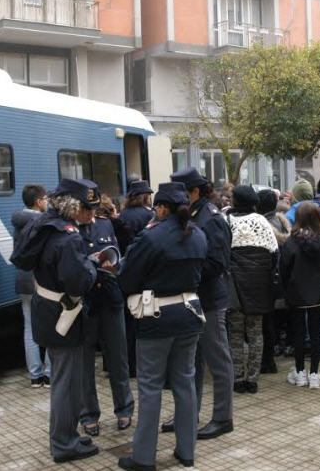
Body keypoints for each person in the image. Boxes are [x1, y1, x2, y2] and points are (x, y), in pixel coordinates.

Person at [10, 178, 106, 463]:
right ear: (75, 206)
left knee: (64, 377)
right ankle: (64, 442)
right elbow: (78, 283)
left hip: (45, 308)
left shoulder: (43, 224)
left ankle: (66, 435)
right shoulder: (68, 236)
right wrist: (94, 264)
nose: (92, 215)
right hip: (64, 314)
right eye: (88, 208)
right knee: (67, 382)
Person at [117, 182, 208, 471]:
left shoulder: (151, 237)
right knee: (185, 381)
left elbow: (127, 277)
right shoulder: (199, 235)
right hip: (190, 314)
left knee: (150, 387)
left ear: (161, 208)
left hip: (156, 318)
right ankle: (186, 450)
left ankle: (144, 457)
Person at [163, 167, 234, 440]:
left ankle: (223, 417)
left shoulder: (211, 218)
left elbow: (217, 263)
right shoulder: (189, 215)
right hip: (190, 297)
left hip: (209, 299)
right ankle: (188, 413)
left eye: (181, 194)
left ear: (194, 192)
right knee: (190, 360)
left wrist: (185, 268)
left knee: (218, 359)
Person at [79, 194, 135, 437]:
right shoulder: (68, 230)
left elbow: (124, 246)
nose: (91, 214)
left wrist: (115, 264)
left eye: (93, 209)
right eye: (86, 209)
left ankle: (124, 408)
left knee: (118, 358)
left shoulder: (105, 223)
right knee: (85, 364)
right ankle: (89, 414)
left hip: (111, 300)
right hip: (84, 303)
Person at [225, 186, 278, 394]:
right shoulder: (262, 222)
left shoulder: (226, 222)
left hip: (235, 286)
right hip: (259, 285)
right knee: (256, 333)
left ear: (236, 201)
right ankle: (253, 379)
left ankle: (237, 378)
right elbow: (275, 253)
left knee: (235, 334)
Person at [280, 202, 320, 389]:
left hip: (296, 292)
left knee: (299, 333)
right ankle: (315, 374)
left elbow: (284, 267)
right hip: (317, 291)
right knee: (316, 332)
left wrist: (286, 289)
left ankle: (300, 372)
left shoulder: (291, 241)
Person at [11, 184, 51, 388]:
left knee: (29, 327)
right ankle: (50, 373)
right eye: (46, 198)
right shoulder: (43, 222)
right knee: (52, 325)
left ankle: (35, 376)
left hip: (23, 278)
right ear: (38, 202)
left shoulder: (18, 220)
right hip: (42, 279)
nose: (48, 202)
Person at [118, 180, 156, 377]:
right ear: (145, 196)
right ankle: (143, 363)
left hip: (124, 272)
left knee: (128, 320)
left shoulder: (121, 215)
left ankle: (129, 364)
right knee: (145, 318)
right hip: (144, 274)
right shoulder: (150, 215)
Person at [257, 189, 290, 374]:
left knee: (267, 321)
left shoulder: (264, 227)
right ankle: (272, 354)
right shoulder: (283, 222)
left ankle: (267, 359)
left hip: (270, 279)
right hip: (283, 277)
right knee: (273, 320)